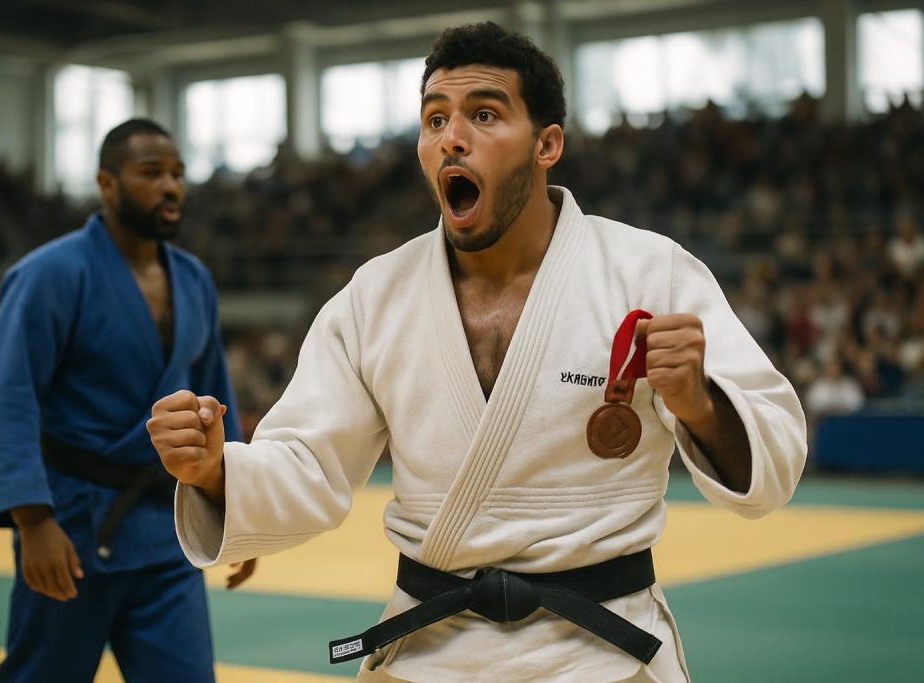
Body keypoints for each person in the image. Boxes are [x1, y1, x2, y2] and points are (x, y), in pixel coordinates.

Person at [148, 23, 806, 683]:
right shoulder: (375, 297)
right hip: (431, 649)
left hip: (602, 654)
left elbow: (772, 463)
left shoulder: (649, 272)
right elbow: (308, 464)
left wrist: (700, 404)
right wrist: (214, 472)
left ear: (547, 144)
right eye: (435, 119)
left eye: (484, 114)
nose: (451, 137)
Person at [0, 118, 253, 683]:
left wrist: (241, 507)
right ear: (107, 184)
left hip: (165, 532)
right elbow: (7, 399)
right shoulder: (50, 275)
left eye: (177, 173)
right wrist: (33, 522)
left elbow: (215, 403)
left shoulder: (194, 279)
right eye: (151, 173)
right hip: (72, 527)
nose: (171, 186)